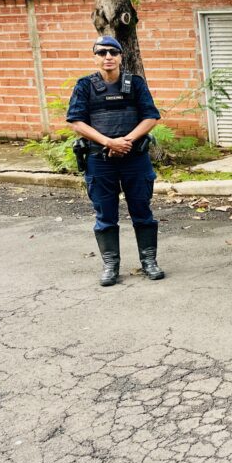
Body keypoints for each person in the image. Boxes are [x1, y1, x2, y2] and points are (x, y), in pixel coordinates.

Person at [66, 35, 165, 286]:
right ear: (95, 57)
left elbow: (151, 117)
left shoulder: (136, 83)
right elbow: (77, 122)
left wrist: (125, 141)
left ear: (121, 56)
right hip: (100, 160)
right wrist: (109, 143)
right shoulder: (84, 86)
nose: (107, 57)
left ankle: (149, 262)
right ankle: (111, 265)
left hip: (135, 158)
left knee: (142, 212)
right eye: (101, 53)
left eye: (113, 52)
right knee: (105, 215)